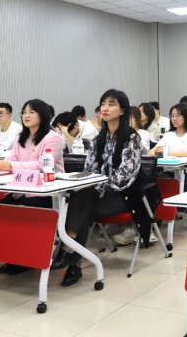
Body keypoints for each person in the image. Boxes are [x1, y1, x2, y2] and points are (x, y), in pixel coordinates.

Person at [49, 89, 143, 286]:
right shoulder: (98, 139)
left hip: (124, 196)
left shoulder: (131, 139)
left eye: (111, 104)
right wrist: (90, 182)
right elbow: (88, 170)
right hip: (96, 194)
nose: (105, 108)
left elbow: (122, 180)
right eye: (103, 104)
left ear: (122, 110)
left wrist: (94, 183)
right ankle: (72, 261)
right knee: (84, 202)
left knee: (83, 202)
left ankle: (68, 252)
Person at [0, 99, 64, 275]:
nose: (26, 115)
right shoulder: (20, 137)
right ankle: (12, 255)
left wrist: (11, 166)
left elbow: (42, 165)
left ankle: (25, 258)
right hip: (22, 190)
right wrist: (1, 164)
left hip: (47, 193)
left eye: (31, 112)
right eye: (24, 112)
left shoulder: (53, 137)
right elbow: (11, 158)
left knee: (22, 214)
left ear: (42, 115)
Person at [148, 103, 187, 192]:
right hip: (168, 171)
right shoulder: (168, 135)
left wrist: (166, 151)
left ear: (186, 116)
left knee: (176, 192)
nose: (174, 119)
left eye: (178, 115)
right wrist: (155, 151)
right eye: (172, 116)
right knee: (155, 188)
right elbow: (151, 152)